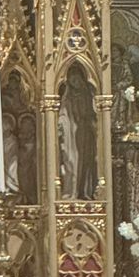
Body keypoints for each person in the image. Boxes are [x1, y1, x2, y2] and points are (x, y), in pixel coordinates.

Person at [58, 62, 98, 200]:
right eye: (72, 80)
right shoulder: (68, 97)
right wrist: (60, 125)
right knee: (71, 161)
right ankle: (70, 192)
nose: (75, 83)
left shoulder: (90, 95)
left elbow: (97, 112)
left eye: (77, 79)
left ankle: (85, 192)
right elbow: (63, 114)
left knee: (86, 162)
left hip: (86, 133)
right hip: (71, 134)